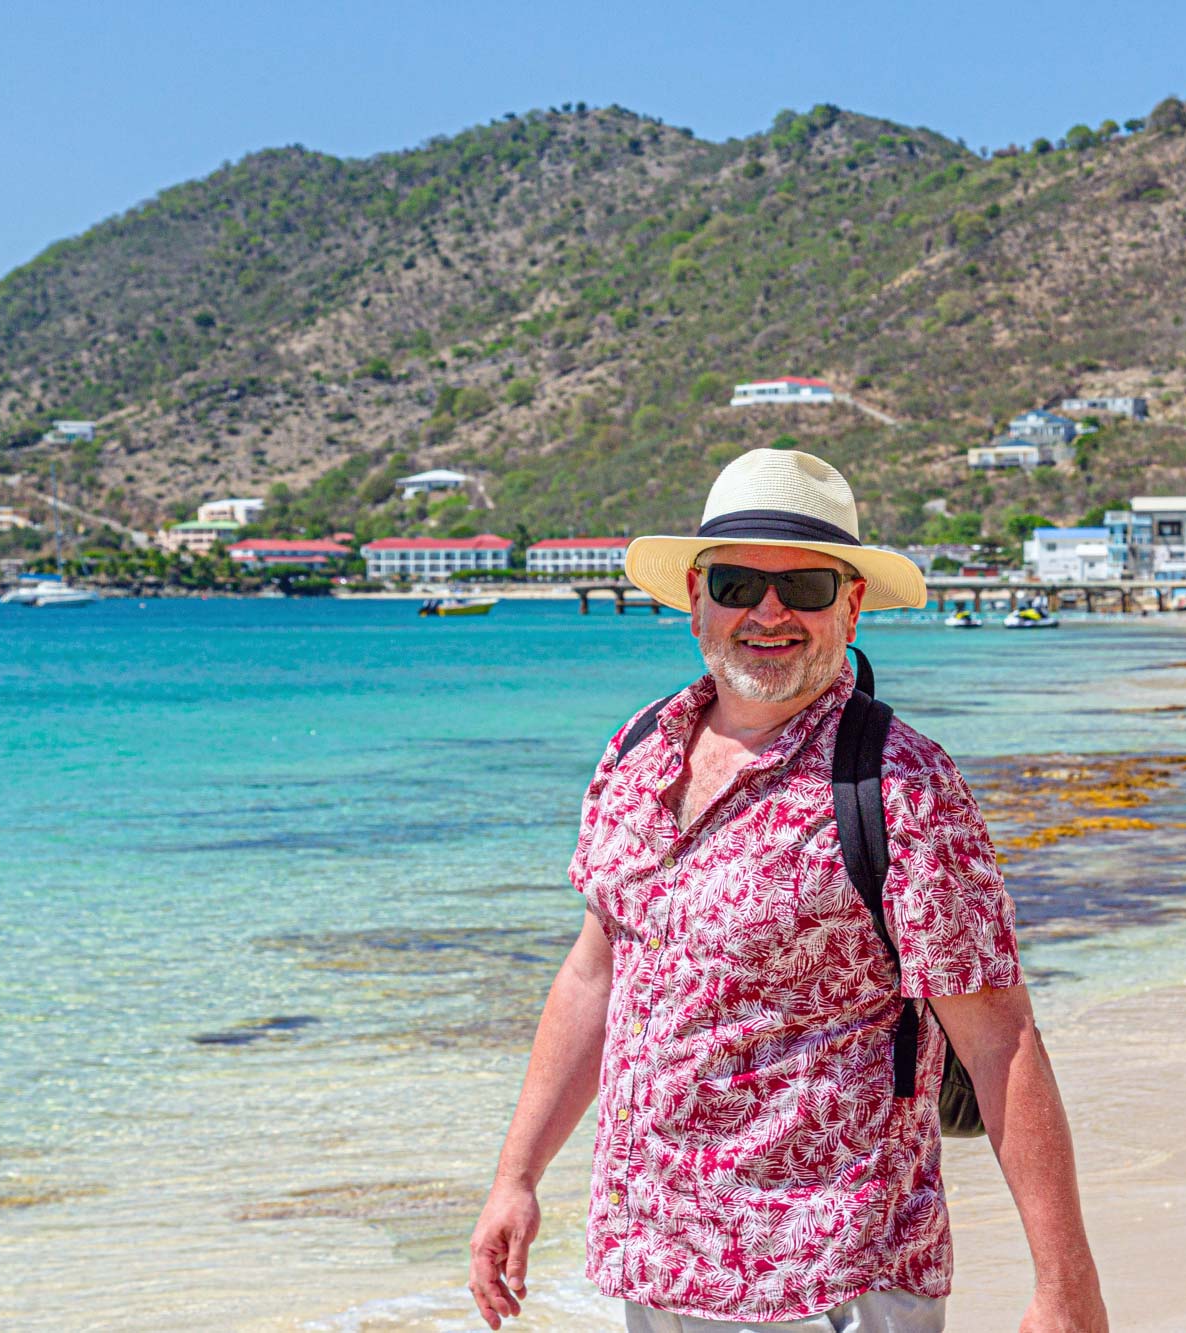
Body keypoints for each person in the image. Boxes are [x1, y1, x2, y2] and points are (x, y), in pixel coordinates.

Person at [468, 449, 1108, 1333]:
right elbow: (595, 975)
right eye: (738, 581)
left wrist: (1065, 1283)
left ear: (849, 605)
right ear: (698, 597)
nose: (769, 612)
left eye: (804, 585)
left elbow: (1001, 1038)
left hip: (833, 1269)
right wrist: (517, 1177)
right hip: (654, 1258)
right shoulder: (635, 751)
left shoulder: (903, 785)